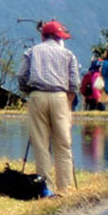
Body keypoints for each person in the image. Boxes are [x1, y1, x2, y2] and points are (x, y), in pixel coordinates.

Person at [17, 20, 81, 195]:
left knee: (41, 143)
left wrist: (28, 91)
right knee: (63, 143)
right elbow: (74, 83)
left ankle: (45, 188)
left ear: (42, 36)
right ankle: (65, 187)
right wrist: (69, 103)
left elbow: (21, 76)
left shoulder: (32, 52)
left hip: (37, 96)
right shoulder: (68, 55)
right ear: (59, 37)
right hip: (60, 97)